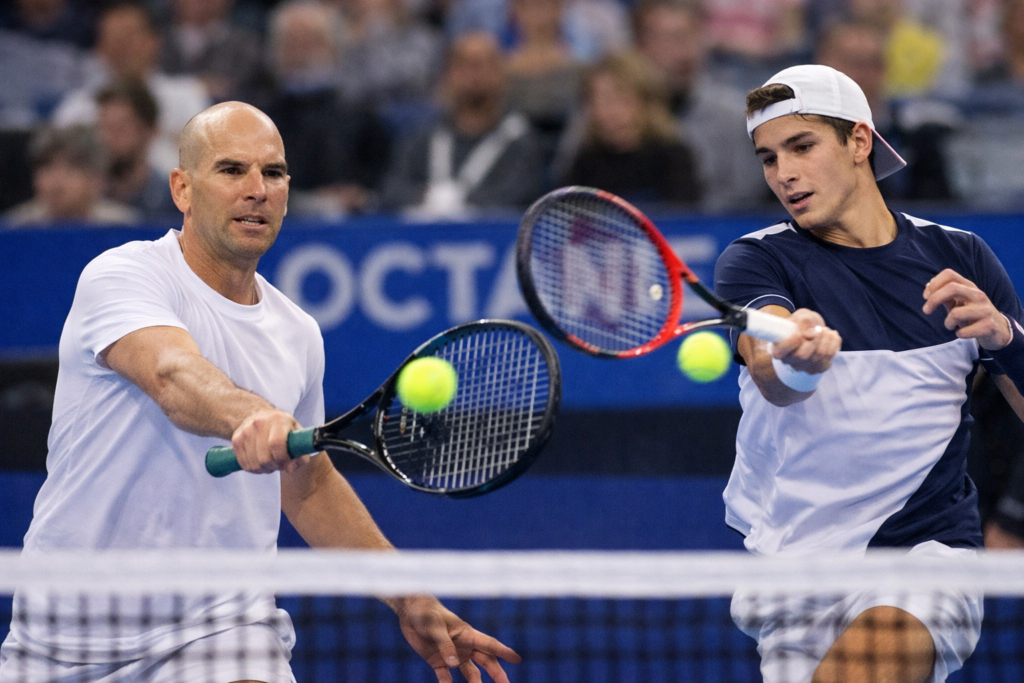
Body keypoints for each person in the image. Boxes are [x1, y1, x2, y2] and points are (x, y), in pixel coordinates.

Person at [0, 101, 520, 683]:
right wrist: (251, 416)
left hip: (220, 629)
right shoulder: (122, 275)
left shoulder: (298, 333)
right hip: (63, 630)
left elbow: (309, 483)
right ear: (182, 189)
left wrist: (408, 597)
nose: (257, 189)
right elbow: (171, 374)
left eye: (273, 173)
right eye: (232, 170)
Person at [714, 64, 1024, 682]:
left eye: (802, 146)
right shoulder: (755, 260)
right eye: (769, 158)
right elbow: (768, 362)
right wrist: (797, 361)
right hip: (797, 572)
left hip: (925, 556)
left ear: (859, 141)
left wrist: (1006, 339)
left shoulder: (960, 255)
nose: (784, 173)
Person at [380, 31, 546, 218]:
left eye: (482, 65)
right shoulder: (423, 137)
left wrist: (457, 200)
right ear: (447, 75)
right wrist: (429, 197)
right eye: (463, 65)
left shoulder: (520, 142)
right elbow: (391, 190)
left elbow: (519, 195)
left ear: (501, 74)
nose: (473, 74)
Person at [256, 0, 392, 218]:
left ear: (334, 48)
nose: (300, 52)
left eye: (311, 41)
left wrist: (361, 194)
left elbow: (383, 176)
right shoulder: (259, 120)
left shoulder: (362, 116)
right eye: (290, 42)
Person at [631, 0, 770, 212]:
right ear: (640, 47)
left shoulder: (736, 116)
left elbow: (747, 201)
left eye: (688, 36)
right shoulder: (615, 114)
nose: (681, 51)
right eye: (666, 39)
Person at [50, 1, 210, 175]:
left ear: (154, 41)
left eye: (129, 36)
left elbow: (208, 160)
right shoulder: (79, 107)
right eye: (113, 38)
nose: (122, 47)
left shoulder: (186, 95)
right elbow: (59, 165)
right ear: (99, 47)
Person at [560, 50, 701, 210]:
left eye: (617, 97)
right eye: (597, 99)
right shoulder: (584, 163)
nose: (607, 109)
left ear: (645, 100)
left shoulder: (673, 157)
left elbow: (685, 216)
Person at [2, 125, 140, 227]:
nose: (56, 181)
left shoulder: (124, 229)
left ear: (96, 178)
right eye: (46, 167)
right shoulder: (15, 229)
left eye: (70, 169)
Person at [95, 80, 179, 220]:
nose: (107, 138)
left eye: (120, 128)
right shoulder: (86, 200)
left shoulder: (172, 201)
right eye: (103, 127)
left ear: (149, 132)